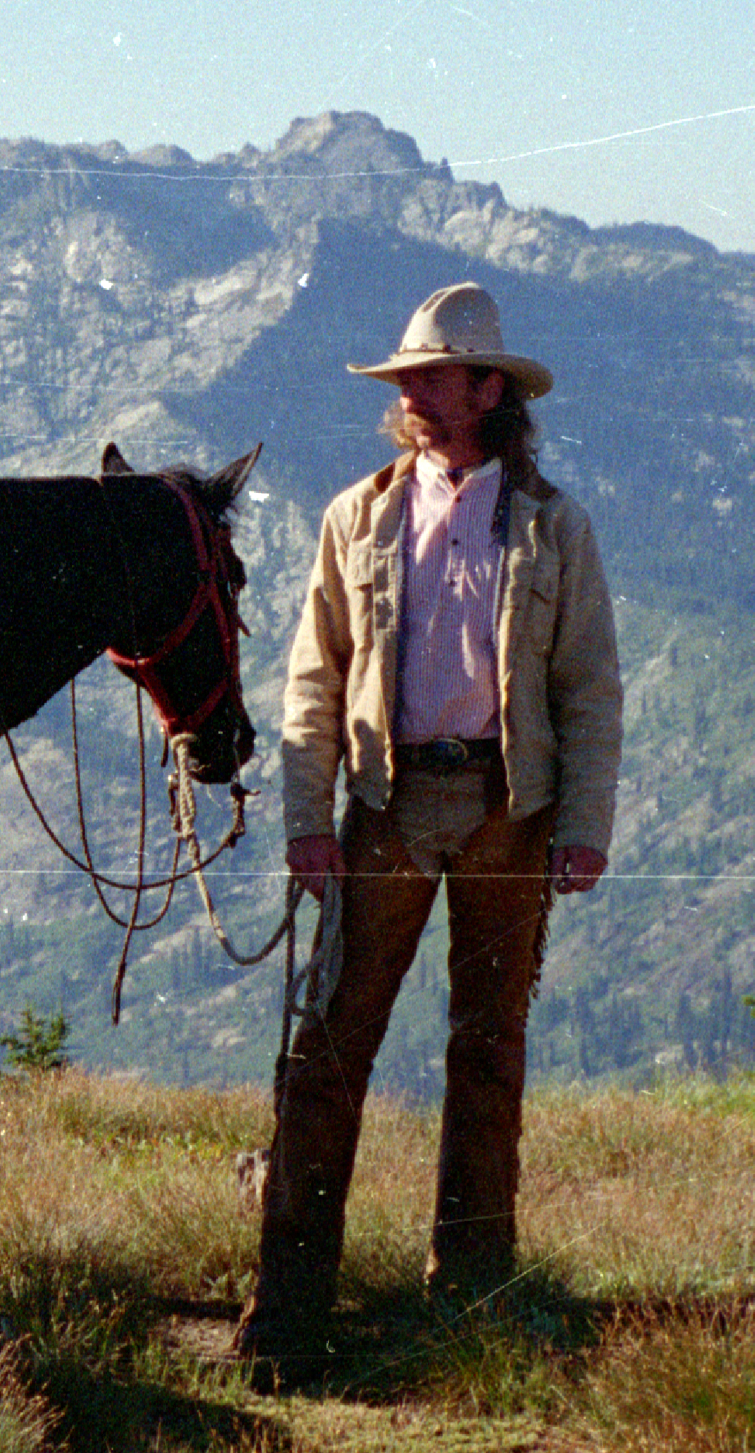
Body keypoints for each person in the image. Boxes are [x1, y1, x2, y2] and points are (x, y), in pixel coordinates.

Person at [239, 282, 622, 1382]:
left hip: (512, 808)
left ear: (485, 390)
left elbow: (589, 688)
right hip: (382, 806)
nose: (408, 393)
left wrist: (581, 825)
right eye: (403, 379)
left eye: (428, 376)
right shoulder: (355, 516)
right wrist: (307, 821)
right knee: (326, 1050)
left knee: (487, 1050)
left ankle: (470, 1294)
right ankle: (290, 1304)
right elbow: (313, 678)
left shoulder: (553, 527)